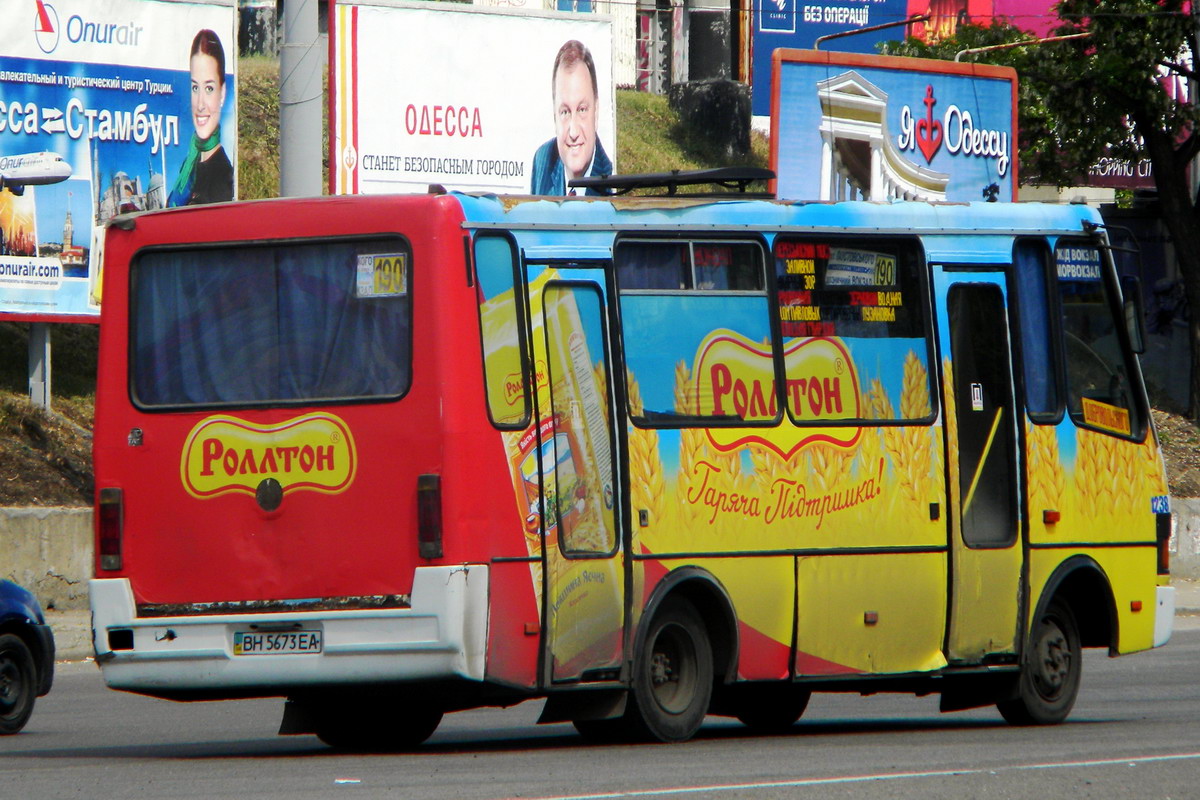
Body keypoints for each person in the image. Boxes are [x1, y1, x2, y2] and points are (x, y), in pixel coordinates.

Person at [530, 40, 612, 196]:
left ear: (596, 112)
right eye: (565, 112)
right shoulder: (542, 159)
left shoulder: (613, 179)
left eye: (582, 110)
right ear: (555, 117)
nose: (573, 132)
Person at [168, 29, 233, 206]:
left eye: (209, 88)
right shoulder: (190, 164)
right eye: (195, 88)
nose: (201, 104)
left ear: (222, 92)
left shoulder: (222, 173)